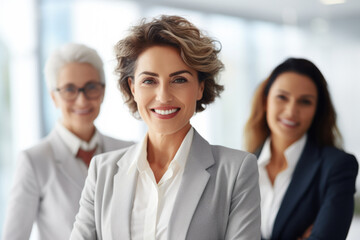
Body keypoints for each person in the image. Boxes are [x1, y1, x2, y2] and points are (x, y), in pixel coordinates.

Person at [70, 15, 261, 240]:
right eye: (149, 81)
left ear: (200, 87)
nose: (163, 96)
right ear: (132, 88)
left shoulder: (235, 171)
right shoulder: (102, 171)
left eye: (179, 80)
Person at [1, 43, 134, 240]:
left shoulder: (129, 151)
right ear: (53, 97)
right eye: (70, 89)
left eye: (91, 87)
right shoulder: (34, 161)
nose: (82, 100)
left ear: (103, 92)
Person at [244, 57, 359, 240]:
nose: (291, 111)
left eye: (305, 102)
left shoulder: (337, 167)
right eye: (282, 97)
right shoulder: (241, 166)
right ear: (266, 101)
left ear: (317, 110)